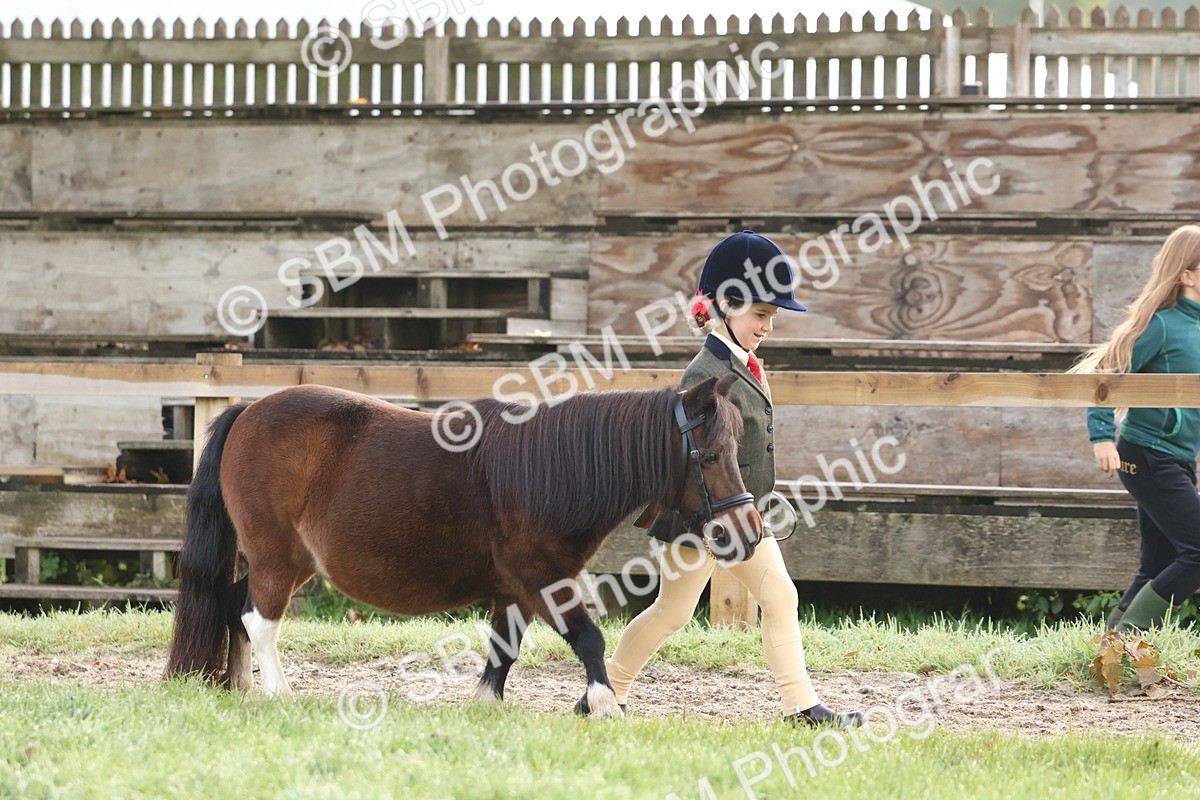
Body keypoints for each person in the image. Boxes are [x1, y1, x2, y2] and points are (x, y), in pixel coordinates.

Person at [583, 230, 863, 727]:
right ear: (727, 306)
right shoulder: (704, 376)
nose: (769, 327)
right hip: (703, 517)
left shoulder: (744, 363)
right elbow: (695, 458)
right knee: (672, 614)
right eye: (761, 315)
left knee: (780, 597)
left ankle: (801, 707)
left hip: (740, 513)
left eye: (772, 317)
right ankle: (606, 691)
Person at [1073, 224, 1200, 633]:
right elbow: (1105, 374)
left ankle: (1111, 646)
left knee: (1159, 562)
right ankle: (1130, 639)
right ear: (1187, 275)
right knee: (1198, 552)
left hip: (1179, 458)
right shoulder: (1161, 326)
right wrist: (1101, 437)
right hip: (1147, 454)